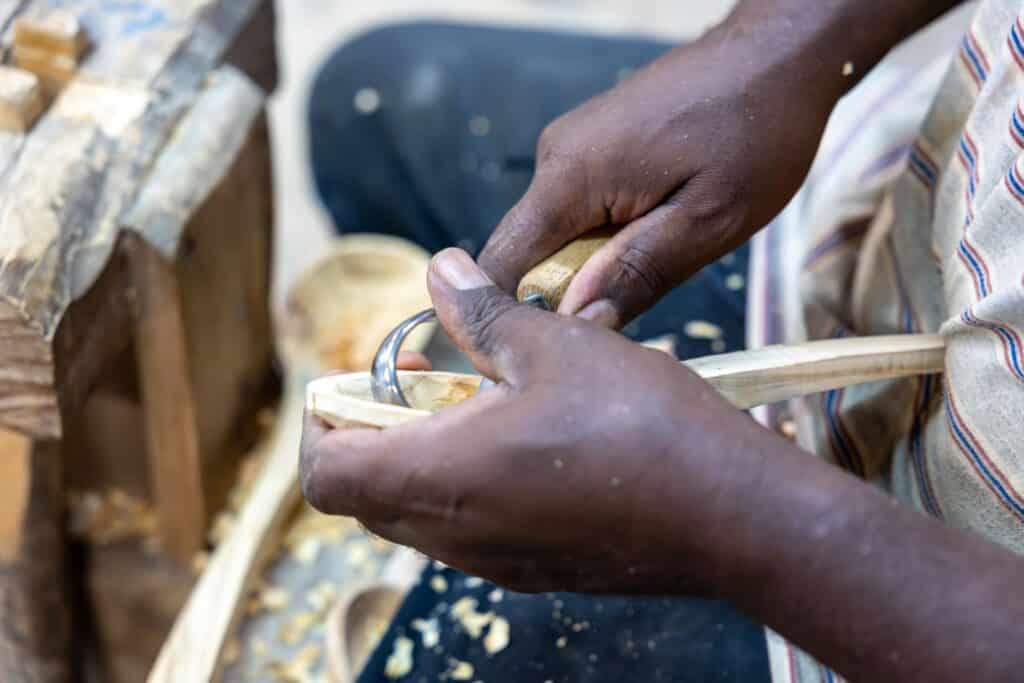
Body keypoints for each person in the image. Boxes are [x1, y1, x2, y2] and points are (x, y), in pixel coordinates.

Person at [302, 1, 1024, 681]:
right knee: (368, 105)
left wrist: (728, 514)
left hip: (911, 599)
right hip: (883, 222)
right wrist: (787, 45)